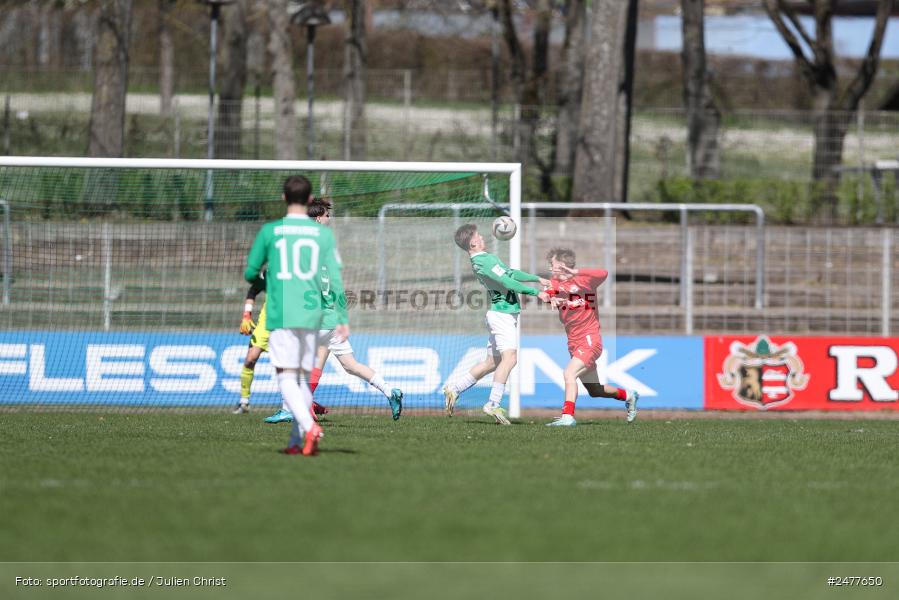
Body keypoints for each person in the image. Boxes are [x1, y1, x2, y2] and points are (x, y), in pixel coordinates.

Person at [244, 175, 346, 456]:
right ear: (311, 200)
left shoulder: (271, 231)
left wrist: (268, 274)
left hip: (283, 312)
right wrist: (344, 319)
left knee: (287, 376)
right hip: (314, 314)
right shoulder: (322, 234)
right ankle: (296, 440)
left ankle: (309, 427)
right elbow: (335, 277)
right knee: (302, 377)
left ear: (284, 199)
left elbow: (250, 273)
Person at [305, 199, 404, 420]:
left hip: (320, 317)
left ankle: (302, 404)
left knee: (304, 362)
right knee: (349, 365)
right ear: (319, 217)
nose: (329, 219)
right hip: (330, 316)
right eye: (327, 215)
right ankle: (390, 391)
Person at [442, 223, 550, 424]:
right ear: (473, 242)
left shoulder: (485, 260)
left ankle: (454, 389)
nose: (482, 237)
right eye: (479, 236)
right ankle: (492, 403)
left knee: (491, 363)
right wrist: (537, 293)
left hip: (499, 314)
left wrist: (537, 279)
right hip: (503, 316)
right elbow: (508, 283)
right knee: (510, 359)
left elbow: (510, 274)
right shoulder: (484, 261)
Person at [541, 247, 638, 426]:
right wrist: (549, 298)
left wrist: (575, 271)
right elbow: (547, 294)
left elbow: (604, 273)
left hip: (590, 340)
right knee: (595, 390)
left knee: (569, 373)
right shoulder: (555, 282)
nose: (549, 267)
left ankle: (567, 416)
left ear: (562, 265)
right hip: (573, 342)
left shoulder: (585, 281)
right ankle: (629, 395)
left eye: (552, 263)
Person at [233, 270, 328, 421]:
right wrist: (247, 314)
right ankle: (244, 402)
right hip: (266, 323)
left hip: (288, 323)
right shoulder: (271, 271)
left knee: (288, 365)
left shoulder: (299, 272)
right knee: (250, 358)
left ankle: (298, 404)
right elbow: (254, 289)